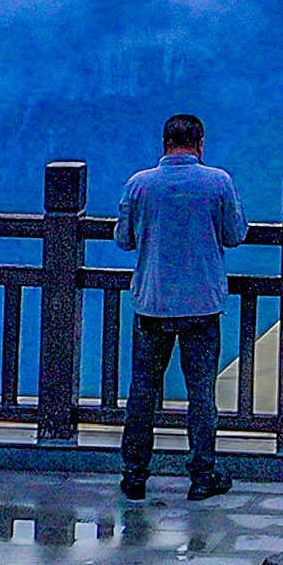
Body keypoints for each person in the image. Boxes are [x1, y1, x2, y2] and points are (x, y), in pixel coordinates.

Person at [114, 113, 243, 499]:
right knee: (201, 392)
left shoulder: (140, 185)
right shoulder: (217, 182)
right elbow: (235, 235)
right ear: (200, 143)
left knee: (143, 390)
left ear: (164, 143)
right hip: (202, 304)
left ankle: (135, 474)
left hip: (152, 304)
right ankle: (202, 475)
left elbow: (124, 239)